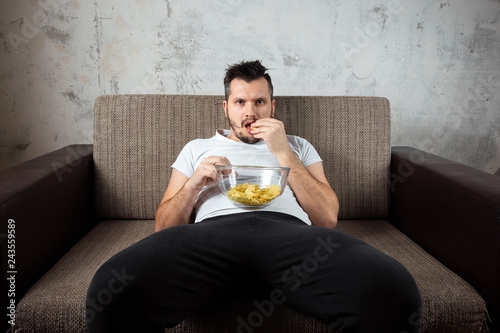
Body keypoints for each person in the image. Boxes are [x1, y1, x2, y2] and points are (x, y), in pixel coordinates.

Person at [86, 60, 422, 333]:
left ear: (272, 106)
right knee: (113, 290)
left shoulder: (298, 146)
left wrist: (283, 152)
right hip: (209, 236)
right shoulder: (196, 149)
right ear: (226, 108)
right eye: (240, 102)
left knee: (392, 290)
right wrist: (194, 184)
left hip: (290, 235)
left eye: (259, 102)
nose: (251, 112)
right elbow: (164, 227)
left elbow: (327, 218)